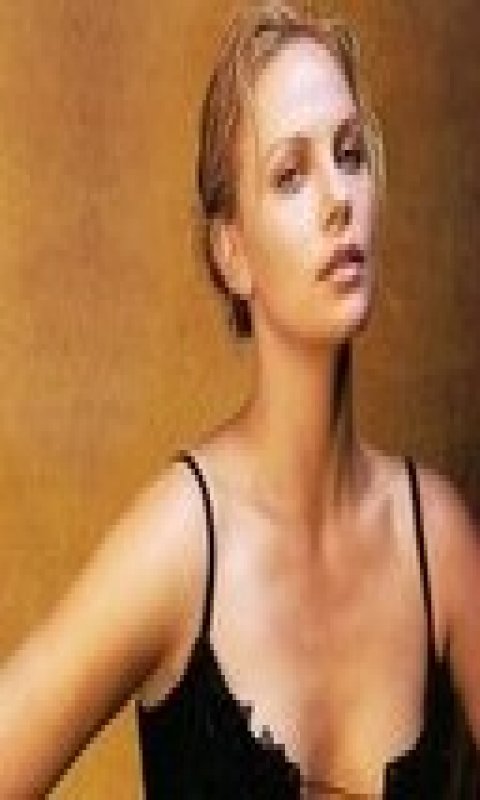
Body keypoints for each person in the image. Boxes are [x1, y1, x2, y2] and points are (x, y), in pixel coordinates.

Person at [0, 1, 479, 797]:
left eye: (350, 155)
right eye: (291, 175)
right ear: (232, 253)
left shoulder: (440, 542)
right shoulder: (181, 541)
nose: (338, 199)